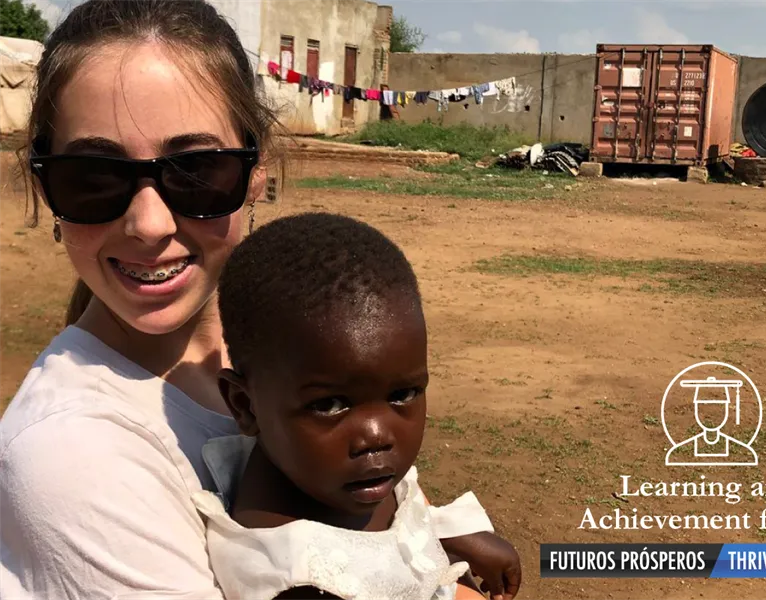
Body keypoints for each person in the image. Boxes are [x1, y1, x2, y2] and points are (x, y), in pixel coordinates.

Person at [0, 1, 521, 599]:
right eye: (93, 178)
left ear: (254, 173)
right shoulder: (74, 458)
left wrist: (436, 536)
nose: (147, 224)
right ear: (46, 186)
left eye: (197, 172)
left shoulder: (286, 337)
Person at [193, 212, 502, 600]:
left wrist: (449, 534)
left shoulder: (327, 475)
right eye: (331, 405)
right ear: (245, 405)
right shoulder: (299, 579)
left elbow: (402, 512)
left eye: (402, 395)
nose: (376, 436)